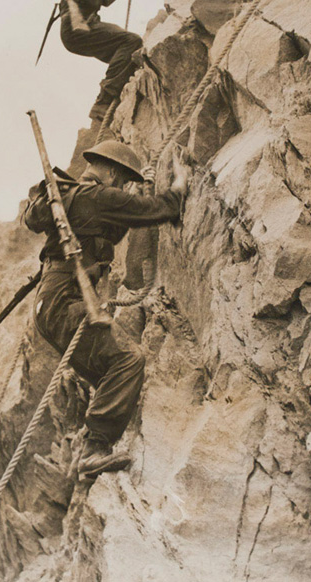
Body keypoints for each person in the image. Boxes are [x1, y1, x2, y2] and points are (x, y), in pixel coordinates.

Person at [24, 140, 189, 480]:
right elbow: (160, 209)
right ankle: (94, 447)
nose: (124, 187)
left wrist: (139, 189)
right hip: (66, 304)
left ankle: (86, 445)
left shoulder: (72, 198)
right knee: (129, 360)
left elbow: (114, 225)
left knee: (111, 375)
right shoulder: (100, 199)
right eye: (124, 181)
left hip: (49, 306)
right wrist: (180, 183)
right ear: (113, 173)